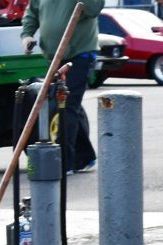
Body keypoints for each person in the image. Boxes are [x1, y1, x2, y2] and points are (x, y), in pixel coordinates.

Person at [21, 0, 105, 174]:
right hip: (54, 56)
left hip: (79, 54)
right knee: (69, 105)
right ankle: (84, 158)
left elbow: (94, 8)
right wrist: (27, 34)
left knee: (66, 105)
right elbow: (32, 11)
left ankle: (65, 163)